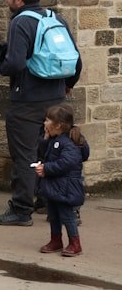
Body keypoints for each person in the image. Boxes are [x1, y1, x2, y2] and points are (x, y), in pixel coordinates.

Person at [0, 0, 82, 226]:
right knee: (54, 152)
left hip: (28, 100)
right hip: (56, 98)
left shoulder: (20, 22)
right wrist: (68, 85)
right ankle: (60, 203)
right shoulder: (54, 18)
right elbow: (76, 58)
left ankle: (21, 209)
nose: (7, 0)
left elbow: (16, 63)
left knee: (25, 155)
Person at [35, 103, 88, 256]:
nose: (44, 123)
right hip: (54, 186)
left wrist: (46, 169)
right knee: (53, 215)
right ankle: (56, 240)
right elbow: (46, 153)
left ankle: (75, 243)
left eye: (47, 120)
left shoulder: (69, 143)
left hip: (66, 187)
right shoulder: (55, 139)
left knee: (67, 216)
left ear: (57, 125)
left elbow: (65, 163)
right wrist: (45, 139)